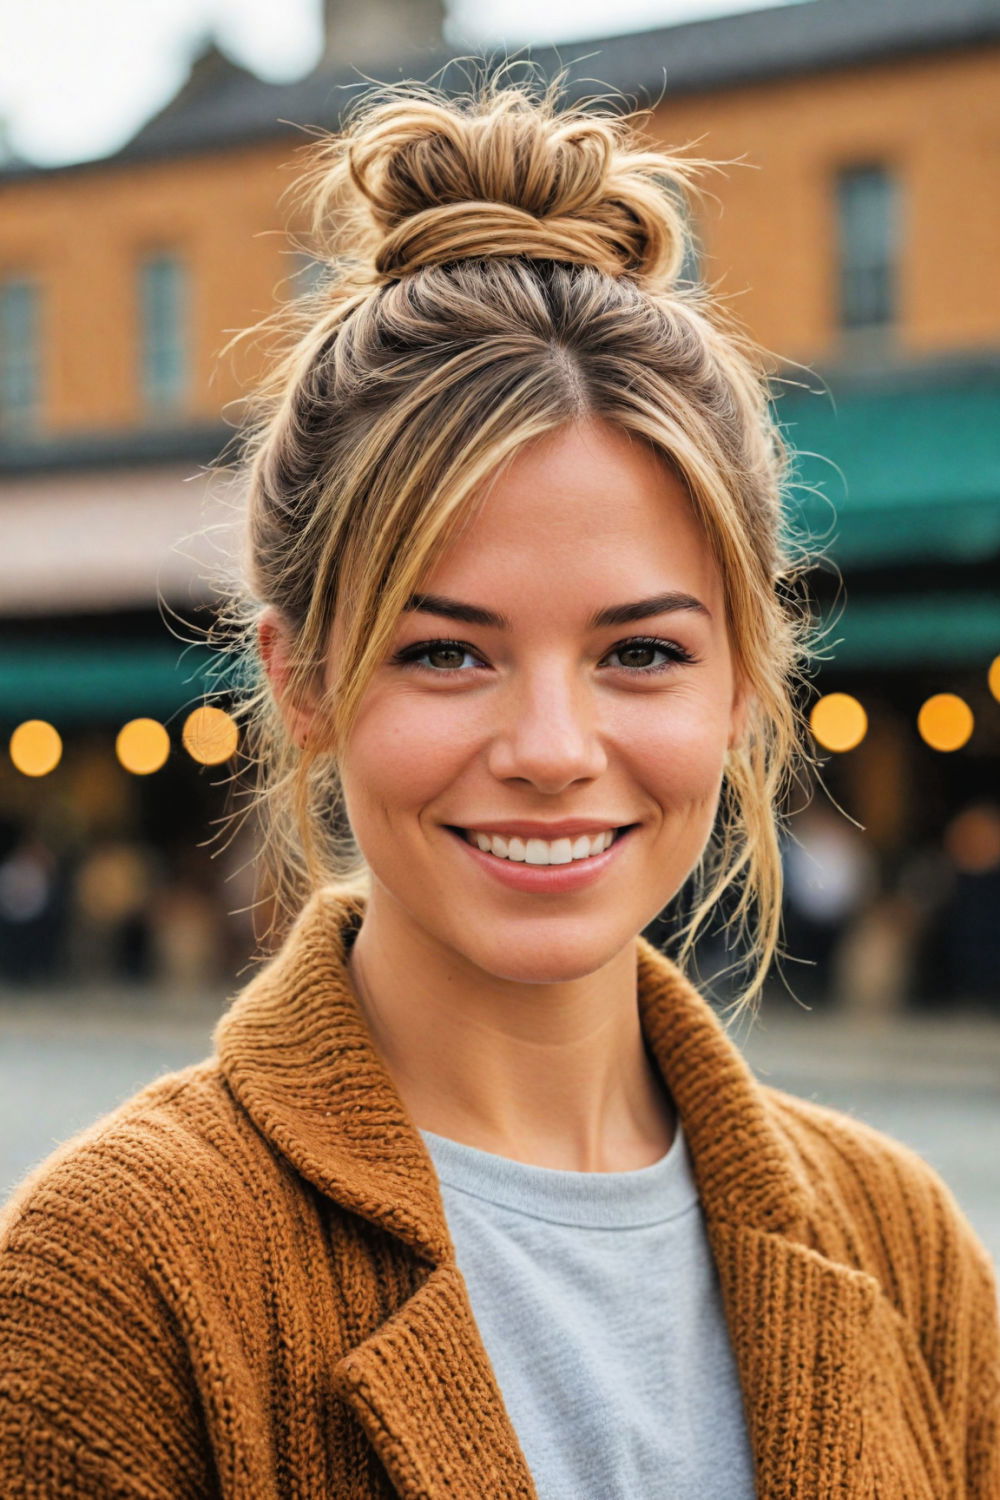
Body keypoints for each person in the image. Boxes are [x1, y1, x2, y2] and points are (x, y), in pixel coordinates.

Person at [1, 82, 997, 1499]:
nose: (549, 744)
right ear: (305, 681)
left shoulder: (908, 1250)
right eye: (447, 650)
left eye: (641, 651)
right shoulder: (118, 1283)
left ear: (744, 686)